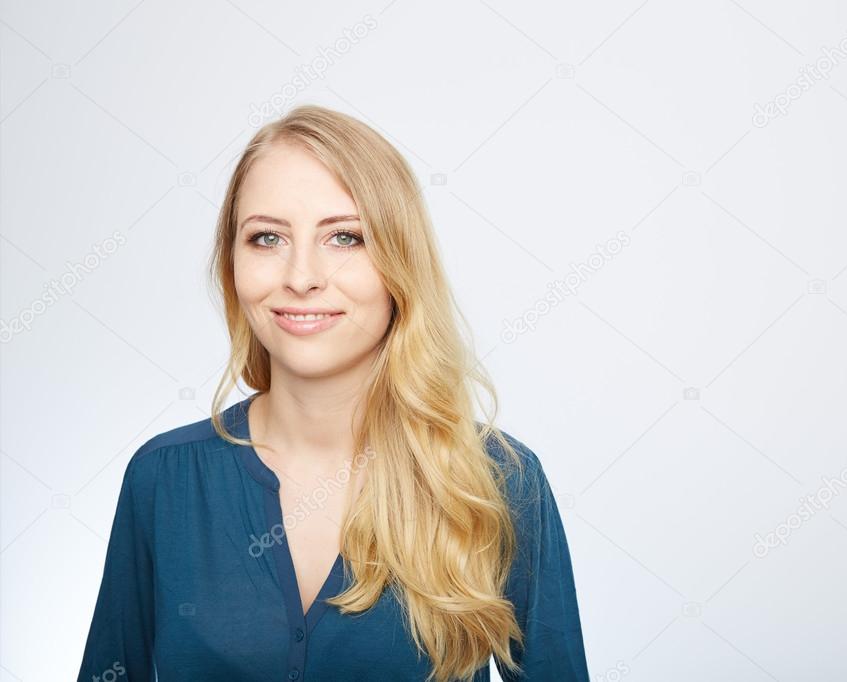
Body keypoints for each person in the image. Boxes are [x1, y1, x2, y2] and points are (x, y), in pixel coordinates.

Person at [76, 104, 589, 681]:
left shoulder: (497, 481)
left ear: (400, 264)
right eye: (266, 238)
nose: (301, 276)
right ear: (233, 266)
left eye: (345, 237)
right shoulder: (163, 479)